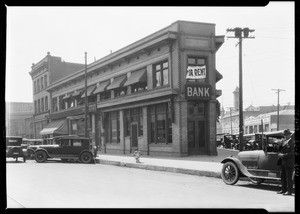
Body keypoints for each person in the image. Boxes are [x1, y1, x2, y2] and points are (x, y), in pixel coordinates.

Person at [277, 129, 294, 196]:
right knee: (283, 177)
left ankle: (289, 191)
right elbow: (279, 149)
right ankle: (283, 190)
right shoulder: (283, 141)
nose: (285, 136)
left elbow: (292, 153)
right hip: (283, 162)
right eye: (284, 135)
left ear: (290, 135)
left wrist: (283, 155)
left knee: (289, 178)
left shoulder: (292, 142)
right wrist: (279, 145)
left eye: (287, 135)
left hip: (289, 162)